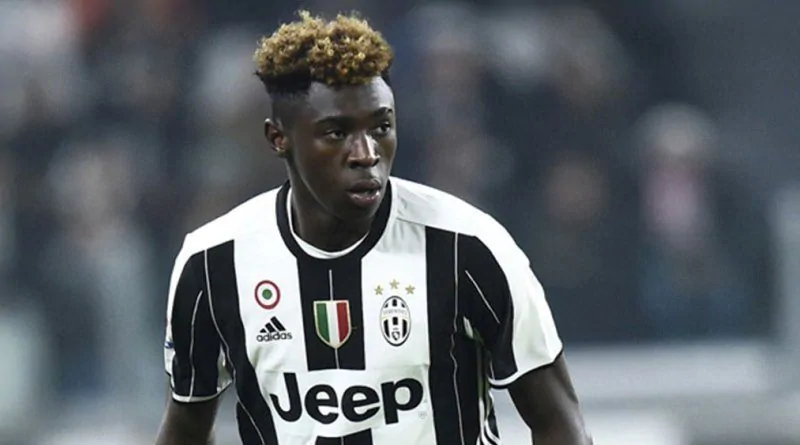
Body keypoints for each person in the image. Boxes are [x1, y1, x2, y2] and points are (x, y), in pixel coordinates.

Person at [155, 10, 592, 445]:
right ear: (278, 138)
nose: (366, 153)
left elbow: (560, 425)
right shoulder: (212, 263)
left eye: (381, 126)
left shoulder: (468, 247)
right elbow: (186, 429)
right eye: (336, 133)